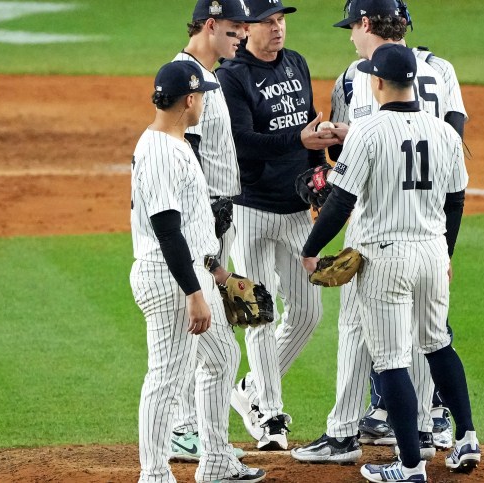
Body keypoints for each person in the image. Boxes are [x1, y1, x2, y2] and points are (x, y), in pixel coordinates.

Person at [290, 0, 462, 464]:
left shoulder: (355, 75)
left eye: (352, 26)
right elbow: (455, 140)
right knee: (431, 335)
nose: (350, 35)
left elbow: (342, 178)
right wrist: (446, 245)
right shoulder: (442, 70)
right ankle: (429, 426)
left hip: (374, 230)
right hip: (429, 230)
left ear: (365, 23)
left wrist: (347, 141)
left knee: (359, 330)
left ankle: (346, 433)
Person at [129, 60, 265, 483]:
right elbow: (168, 231)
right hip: (169, 276)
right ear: (189, 100)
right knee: (167, 376)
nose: (205, 101)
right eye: (202, 95)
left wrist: (219, 275)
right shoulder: (158, 151)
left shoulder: (177, 143)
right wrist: (194, 293)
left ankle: (217, 459)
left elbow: (192, 226)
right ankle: (154, 474)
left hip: (192, 271)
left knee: (223, 357)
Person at [215, 0, 341, 451]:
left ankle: (250, 388)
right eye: (267, 22)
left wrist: (316, 173)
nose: (277, 28)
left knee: (309, 312)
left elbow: (307, 127)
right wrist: (299, 139)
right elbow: (242, 143)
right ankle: (269, 414)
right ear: (245, 29)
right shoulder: (231, 75)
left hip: (292, 209)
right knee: (260, 310)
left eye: (281, 20)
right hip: (249, 207)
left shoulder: (296, 64)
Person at [169, 0, 257, 464]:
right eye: (233, 29)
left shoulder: (213, 75)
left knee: (207, 331)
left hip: (217, 222)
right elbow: (189, 158)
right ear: (209, 25)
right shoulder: (188, 78)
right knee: (200, 330)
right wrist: (207, 225)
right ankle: (183, 431)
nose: (242, 36)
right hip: (202, 225)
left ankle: (190, 431)